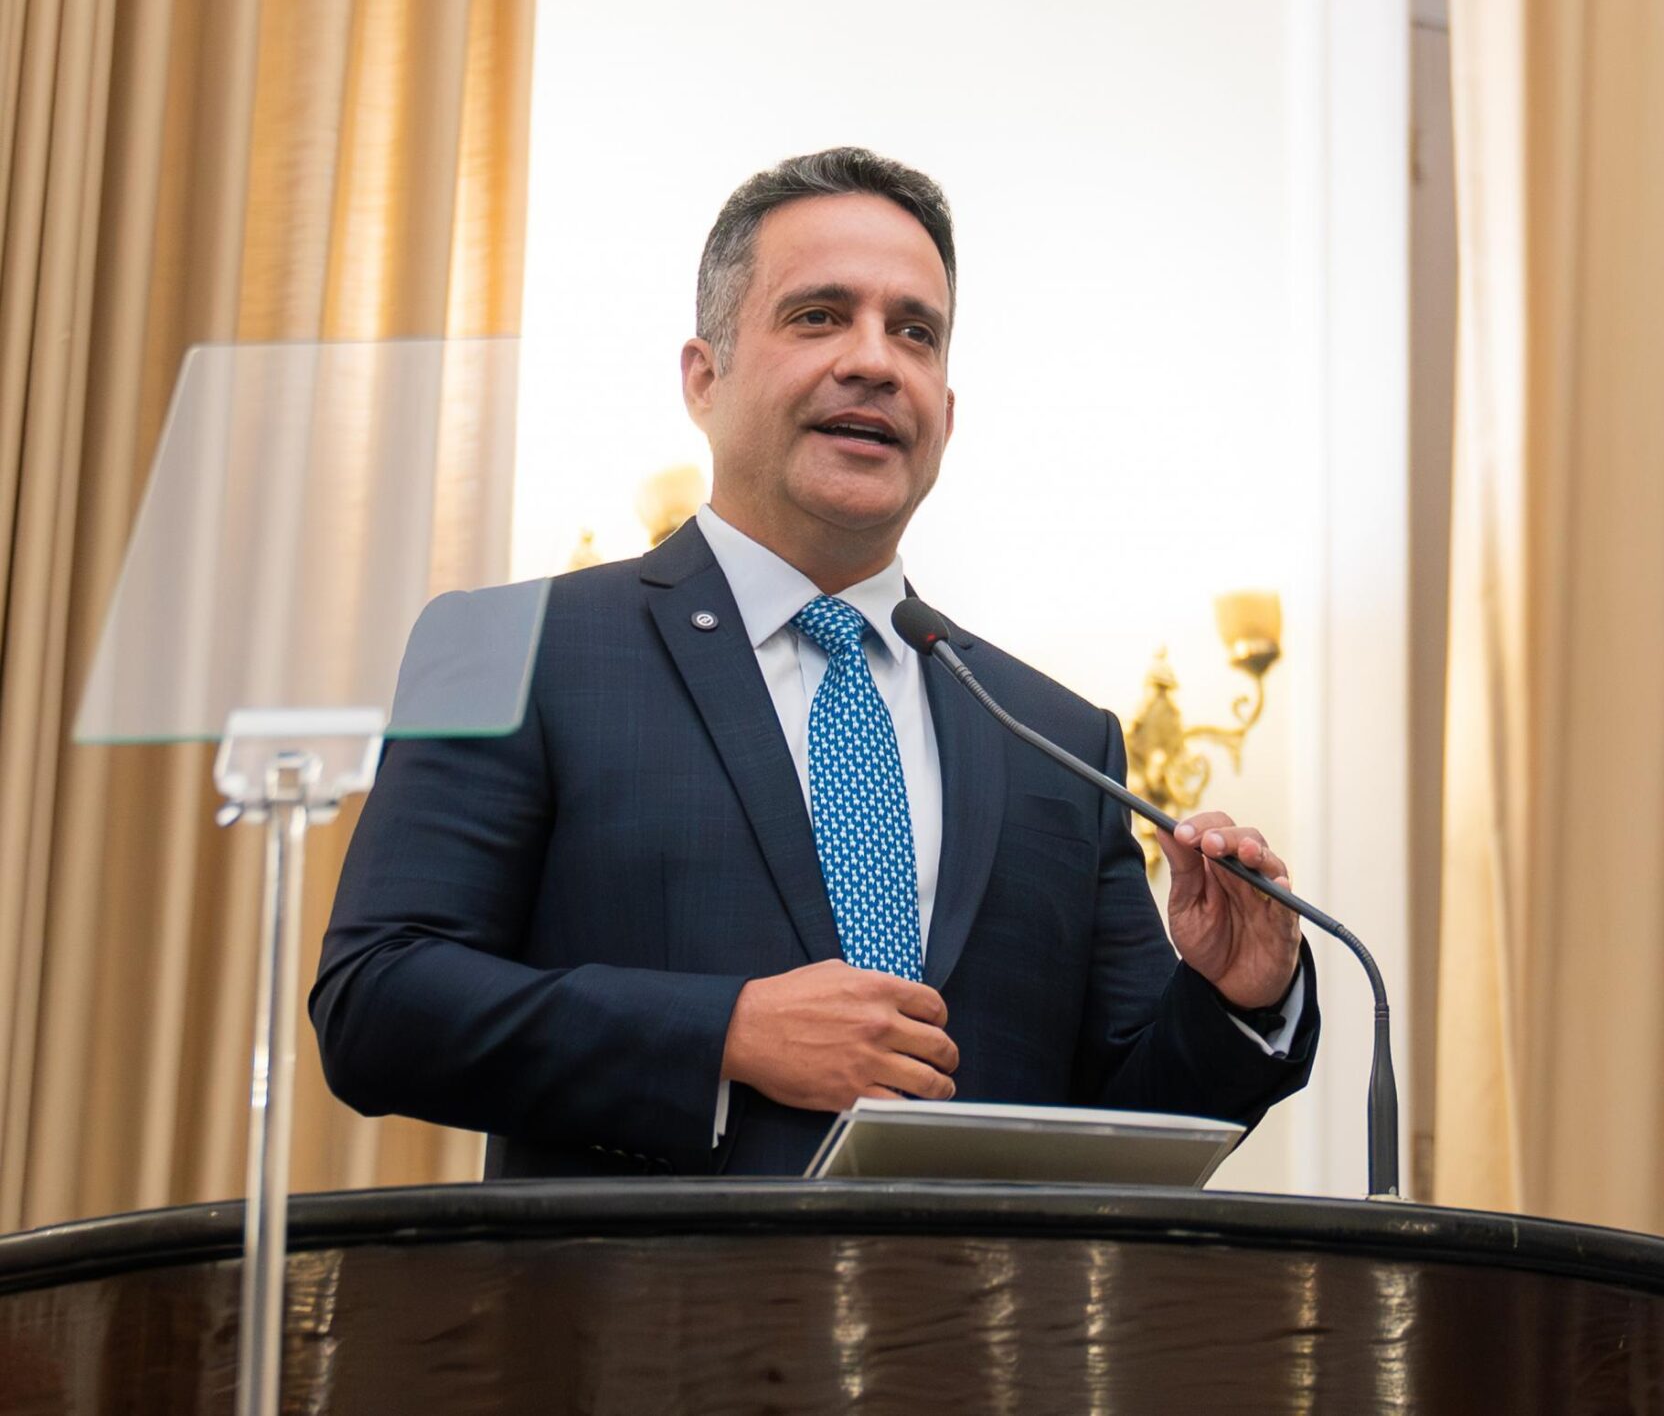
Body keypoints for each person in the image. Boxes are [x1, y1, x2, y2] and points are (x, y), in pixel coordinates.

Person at [311, 147, 1316, 1177]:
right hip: (639, 1285)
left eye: (914, 332)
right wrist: (725, 1033)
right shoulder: (514, 645)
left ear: (946, 413)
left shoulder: (1052, 735)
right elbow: (379, 1000)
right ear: (704, 378)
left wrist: (1237, 998)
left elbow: (1125, 1120)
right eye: (819, 316)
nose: (875, 360)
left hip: (976, 1288)